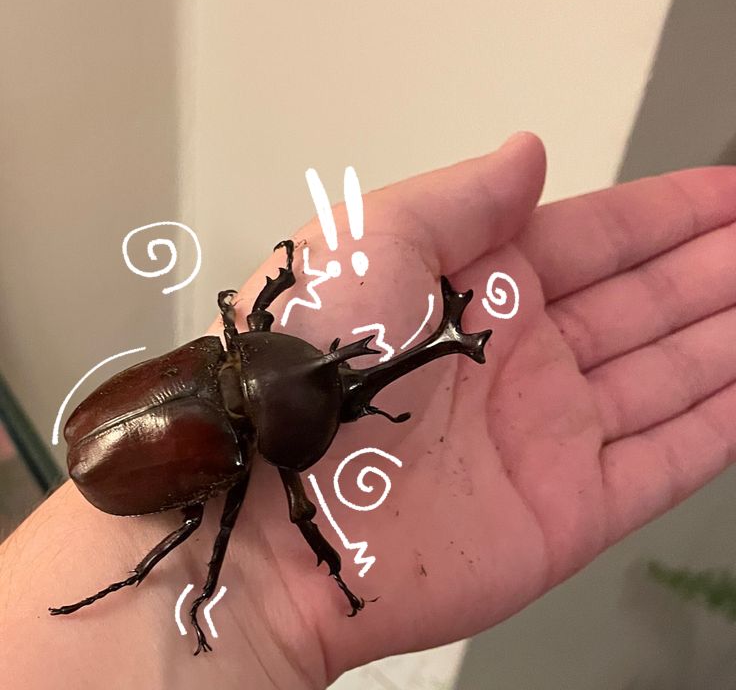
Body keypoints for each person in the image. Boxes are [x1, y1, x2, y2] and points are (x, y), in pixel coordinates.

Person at [1, 132, 734, 689]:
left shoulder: (223, 345)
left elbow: (257, 322)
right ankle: (128, 583)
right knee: (202, 525)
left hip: (107, 424)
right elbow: (261, 524)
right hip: (111, 465)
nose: (352, 385)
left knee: (210, 521)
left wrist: (288, 280)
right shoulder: (233, 416)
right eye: (347, 397)